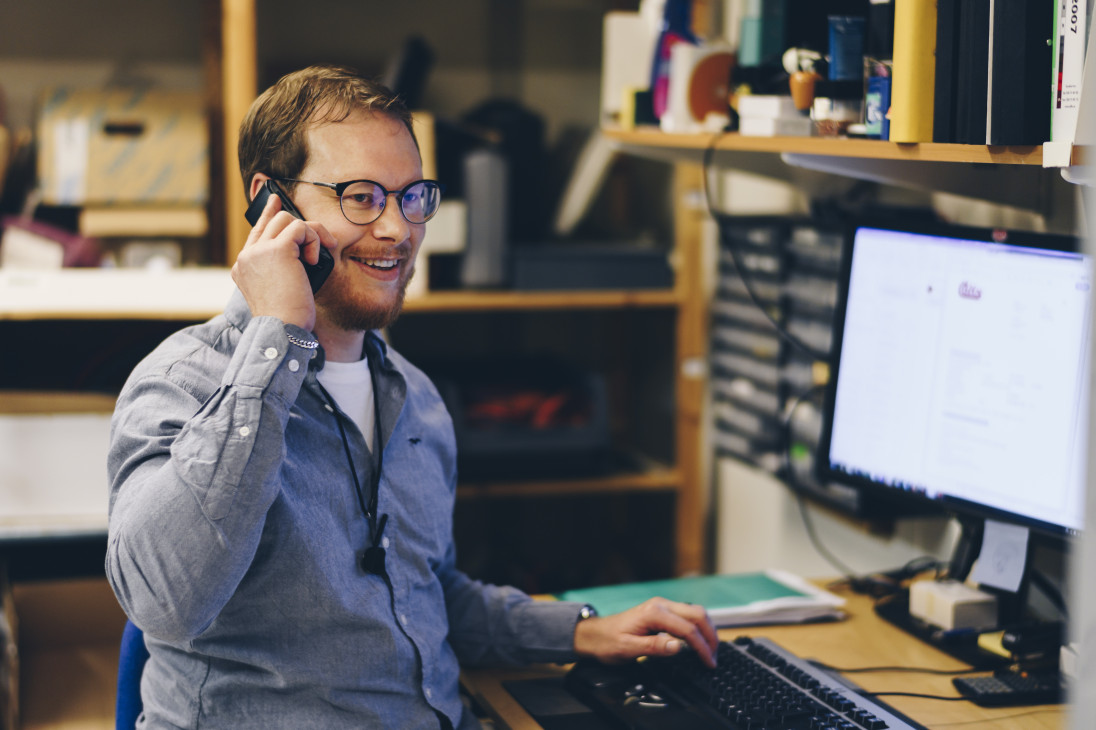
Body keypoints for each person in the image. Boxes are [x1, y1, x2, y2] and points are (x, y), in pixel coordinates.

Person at [106, 64, 717, 729]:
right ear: (270, 203)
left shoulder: (414, 398)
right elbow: (162, 601)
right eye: (361, 196)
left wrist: (581, 630)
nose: (398, 229)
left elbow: (423, 595)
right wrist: (277, 337)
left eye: (412, 196)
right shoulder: (181, 383)